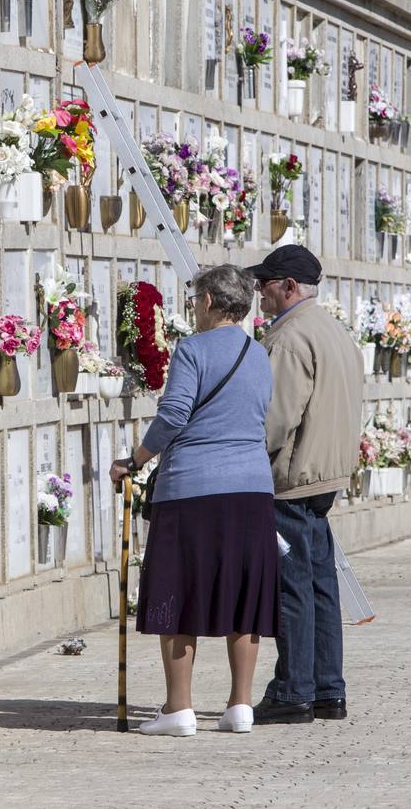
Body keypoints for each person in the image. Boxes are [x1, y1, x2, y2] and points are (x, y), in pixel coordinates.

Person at [109, 265, 278, 737]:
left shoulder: (193, 348)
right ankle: (240, 704)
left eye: (193, 300)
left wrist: (136, 459)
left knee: (178, 591)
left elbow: (175, 414)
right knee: (245, 594)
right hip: (251, 488)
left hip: (193, 489)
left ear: (207, 302)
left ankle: (179, 708)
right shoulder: (259, 353)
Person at [244, 244, 363, 725]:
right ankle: (328, 690)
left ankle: (294, 690)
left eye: (266, 285)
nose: (260, 295)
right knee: (320, 586)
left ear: (289, 286)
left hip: (292, 477)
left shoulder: (289, 339)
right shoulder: (335, 331)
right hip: (326, 475)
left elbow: (274, 419)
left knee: (291, 588)